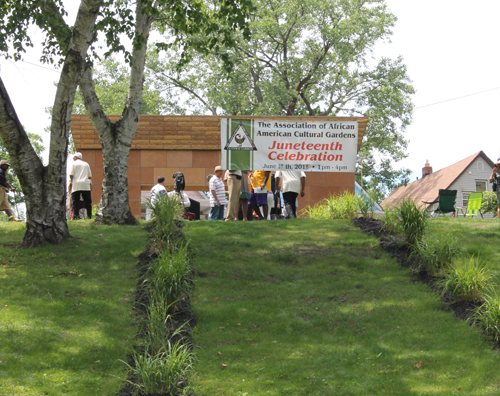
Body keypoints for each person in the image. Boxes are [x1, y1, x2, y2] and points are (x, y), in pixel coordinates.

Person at [68, 152, 92, 220]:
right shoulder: (86, 164)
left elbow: (71, 174)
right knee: (88, 202)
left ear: (75, 157)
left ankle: (76, 217)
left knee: (75, 202)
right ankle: (89, 216)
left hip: (76, 185)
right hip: (85, 185)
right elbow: (90, 176)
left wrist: (71, 181)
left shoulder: (73, 164)